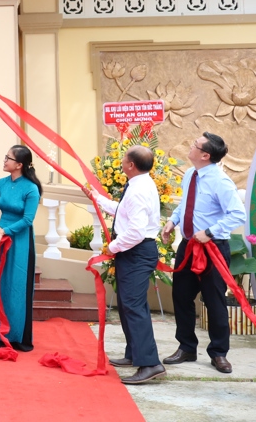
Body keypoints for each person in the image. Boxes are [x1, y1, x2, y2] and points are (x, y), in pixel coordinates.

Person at [162, 132, 246, 374]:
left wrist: (210, 232)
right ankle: (186, 347)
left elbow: (237, 214)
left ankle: (219, 353)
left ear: (205, 155)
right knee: (181, 297)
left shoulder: (221, 181)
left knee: (214, 300)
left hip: (213, 248)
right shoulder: (191, 174)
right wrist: (173, 221)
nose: (190, 146)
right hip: (188, 245)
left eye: (195, 145)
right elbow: (185, 204)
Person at [92, 146, 165, 384]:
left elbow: (135, 231)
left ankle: (150, 363)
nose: (121, 161)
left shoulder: (138, 190)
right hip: (133, 251)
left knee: (133, 307)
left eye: (123, 158)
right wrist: (96, 198)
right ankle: (135, 353)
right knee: (127, 304)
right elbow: (122, 212)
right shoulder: (139, 184)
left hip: (136, 250)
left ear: (131, 165)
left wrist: (111, 248)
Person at [0, 145, 41, 352]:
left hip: (20, 241)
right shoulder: (0, 183)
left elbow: (27, 219)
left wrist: (4, 231)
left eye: (9, 158)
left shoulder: (31, 188)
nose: (4, 160)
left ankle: (17, 336)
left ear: (19, 164)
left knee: (17, 287)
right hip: (1, 237)